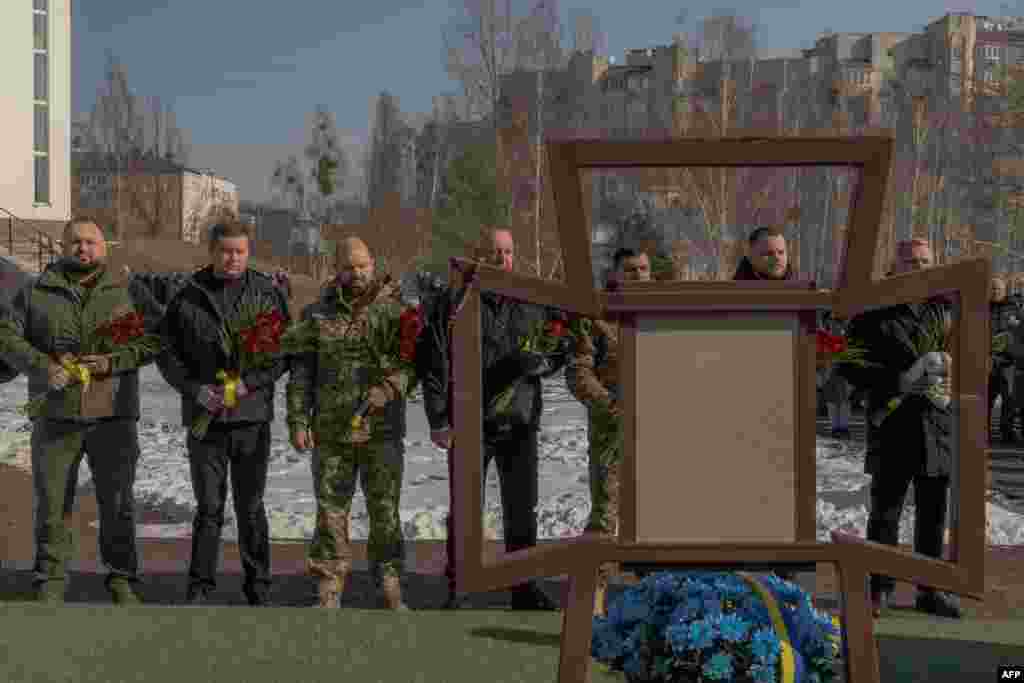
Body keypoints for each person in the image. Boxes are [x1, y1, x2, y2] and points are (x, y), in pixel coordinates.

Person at [0, 218, 164, 604]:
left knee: (118, 501)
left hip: (113, 415)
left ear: (104, 247)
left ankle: (122, 578)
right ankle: (51, 579)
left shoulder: (126, 290)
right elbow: (6, 335)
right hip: (56, 416)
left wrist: (112, 362)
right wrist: (43, 366)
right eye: (75, 242)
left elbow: (156, 336)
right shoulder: (35, 290)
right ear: (62, 245)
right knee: (53, 502)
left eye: (91, 242)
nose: (83, 249)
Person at [418, 227, 566, 611]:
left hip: (519, 422)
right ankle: (460, 585)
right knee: (465, 509)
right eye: (494, 252)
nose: (503, 260)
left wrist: (544, 363)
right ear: (476, 255)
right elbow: (433, 363)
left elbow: (560, 342)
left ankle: (524, 587)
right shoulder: (452, 302)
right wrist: (438, 419)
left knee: (522, 509)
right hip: (469, 424)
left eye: (508, 252)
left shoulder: (533, 299)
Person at [156, 221, 291, 606]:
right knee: (209, 508)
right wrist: (195, 390)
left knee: (250, 506)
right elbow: (167, 355)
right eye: (225, 251)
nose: (232, 258)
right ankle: (200, 586)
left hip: (250, 416)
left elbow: (284, 353)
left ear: (249, 253)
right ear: (212, 251)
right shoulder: (187, 296)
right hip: (206, 419)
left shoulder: (267, 294)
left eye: (240, 251)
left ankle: (258, 585)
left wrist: (247, 385)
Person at [286, 237, 416, 610]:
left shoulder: (396, 312)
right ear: (336, 269)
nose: (356, 273)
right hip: (332, 431)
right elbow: (301, 373)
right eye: (348, 267)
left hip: (382, 430)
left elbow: (414, 365)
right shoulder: (315, 315)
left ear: (372, 264)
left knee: (385, 509)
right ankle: (329, 582)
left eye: (362, 266)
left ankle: (389, 580)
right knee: (330, 509)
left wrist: (390, 388)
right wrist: (298, 420)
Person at [836, 239, 961, 619]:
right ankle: (880, 588)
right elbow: (849, 364)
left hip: (937, 423)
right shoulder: (873, 312)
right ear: (894, 265)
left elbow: (975, 356)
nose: (918, 268)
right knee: (886, 511)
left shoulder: (948, 310)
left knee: (933, 512)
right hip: (892, 424)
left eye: (925, 261)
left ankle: (929, 589)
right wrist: (899, 380)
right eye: (910, 261)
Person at [565, 247, 650, 616]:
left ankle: (652, 594)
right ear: (614, 274)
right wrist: (612, 405)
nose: (639, 275)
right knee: (605, 514)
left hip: (662, 432)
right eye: (630, 270)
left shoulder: (665, 312)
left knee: (655, 518)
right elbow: (579, 373)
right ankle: (592, 596)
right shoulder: (596, 316)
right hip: (612, 432)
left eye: (644, 269)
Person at [990, 276, 1021, 444]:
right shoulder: (982, 306)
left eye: (998, 289)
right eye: (993, 288)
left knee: (1008, 398)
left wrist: (1015, 324)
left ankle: (1007, 431)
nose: (995, 291)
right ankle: (981, 433)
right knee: (986, 398)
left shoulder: (1014, 307)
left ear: (1004, 290)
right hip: (987, 359)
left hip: (1008, 360)